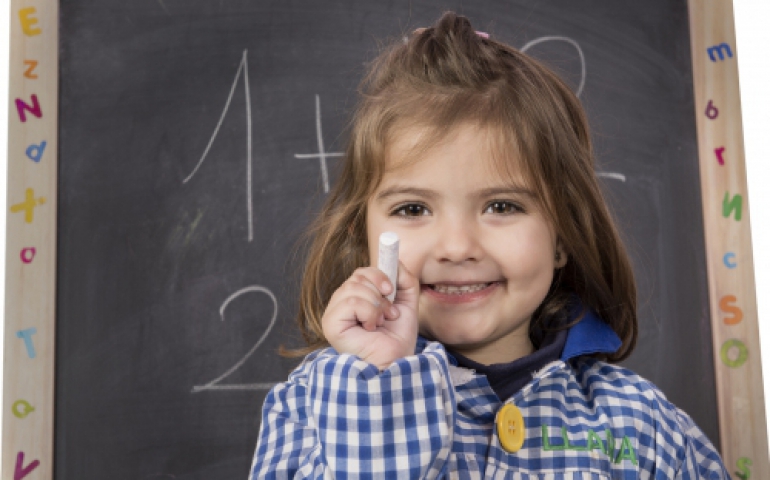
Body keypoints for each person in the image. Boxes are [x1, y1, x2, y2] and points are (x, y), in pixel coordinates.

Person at [250, 11, 728, 479]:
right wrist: (382, 384)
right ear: (363, 234)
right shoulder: (310, 411)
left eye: (501, 206)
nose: (457, 248)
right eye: (414, 209)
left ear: (563, 236)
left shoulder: (643, 426)